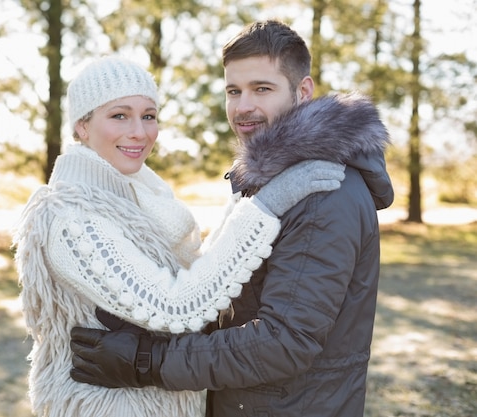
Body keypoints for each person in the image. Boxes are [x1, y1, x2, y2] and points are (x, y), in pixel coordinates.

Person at [69, 20, 395, 417]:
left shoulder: (321, 191)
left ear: (302, 91)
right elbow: (236, 306)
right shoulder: (275, 182)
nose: (243, 107)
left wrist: (147, 361)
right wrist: (148, 328)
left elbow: (283, 343)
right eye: (233, 91)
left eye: (262, 89)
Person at [12, 55, 345, 417]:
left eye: (149, 115)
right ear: (82, 126)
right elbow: (177, 304)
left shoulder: (142, 195)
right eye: (119, 115)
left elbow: (195, 271)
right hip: (109, 406)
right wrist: (265, 205)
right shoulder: (68, 217)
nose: (139, 132)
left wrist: (241, 203)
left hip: (162, 403)